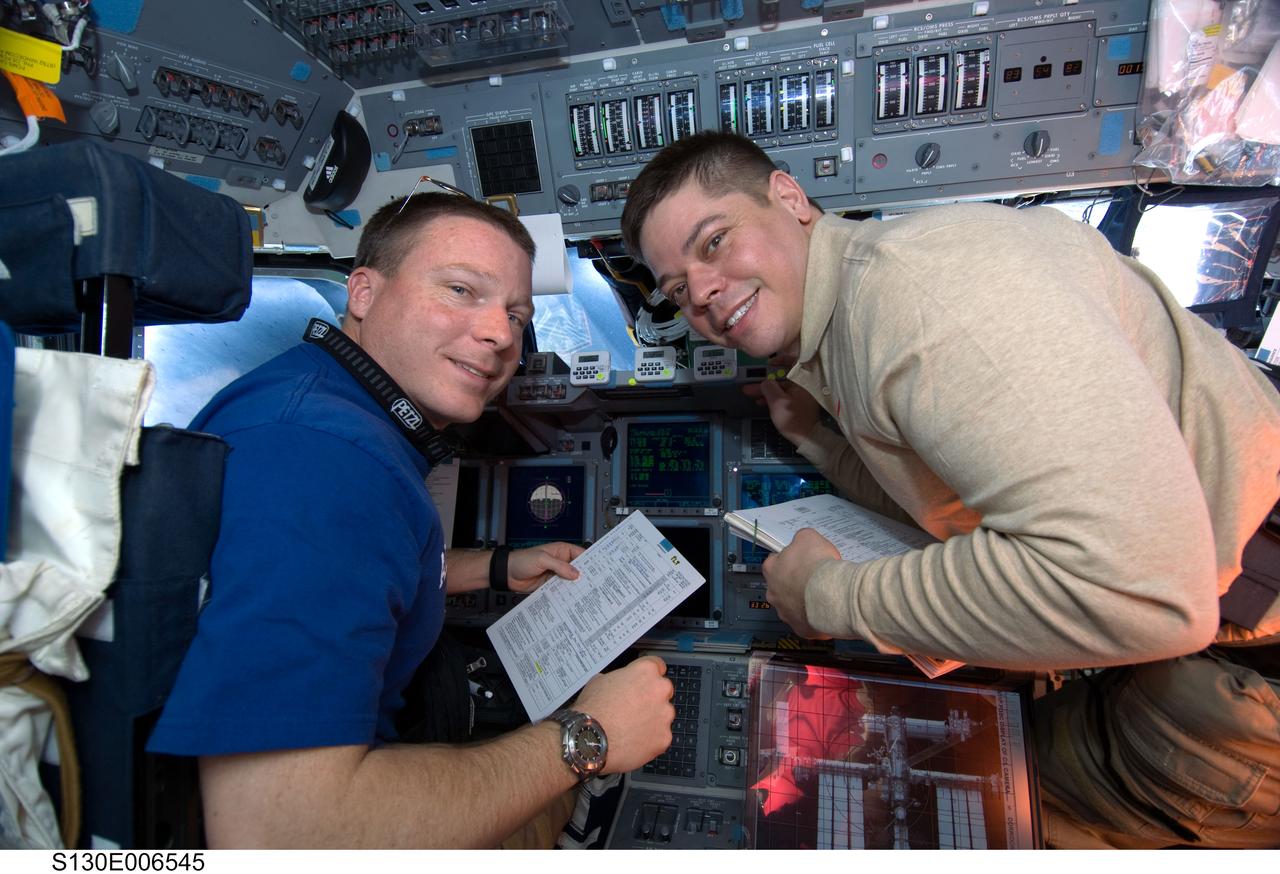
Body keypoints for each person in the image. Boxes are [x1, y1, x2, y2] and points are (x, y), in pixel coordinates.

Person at [620, 131, 1280, 848]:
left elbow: (1140, 588)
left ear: (789, 197)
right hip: (1197, 617)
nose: (704, 294)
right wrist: (816, 439)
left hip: (1239, 650)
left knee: (992, 813)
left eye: (713, 243)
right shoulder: (847, 324)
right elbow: (947, 505)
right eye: (680, 290)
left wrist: (829, 599)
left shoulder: (922, 298)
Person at [148, 192, 675, 847]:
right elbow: (281, 834)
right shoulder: (328, 463)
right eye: (460, 289)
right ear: (363, 292)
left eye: (517, 313)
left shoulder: (315, 398)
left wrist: (496, 568)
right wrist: (585, 739)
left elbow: (353, 569)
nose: (500, 333)